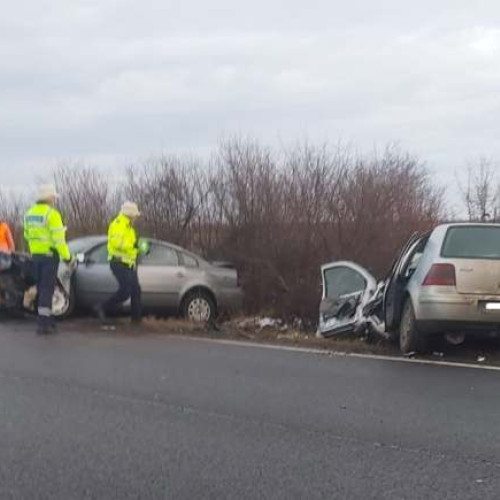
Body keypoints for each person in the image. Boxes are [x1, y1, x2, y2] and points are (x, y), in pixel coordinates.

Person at [24, 184, 72, 335]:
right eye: (53, 197)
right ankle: (43, 325)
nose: (54, 200)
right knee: (47, 290)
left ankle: (47, 320)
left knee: (41, 288)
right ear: (49, 198)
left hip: (35, 256)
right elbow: (59, 240)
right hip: (49, 256)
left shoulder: (29, 213)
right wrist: (67, 257)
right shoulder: (52, 214)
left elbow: (27, 235)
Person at [95, 201, 143, 325]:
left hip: (130, 263)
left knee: (136, 291)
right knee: (125, 291)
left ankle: (136, 320)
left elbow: (131, 247)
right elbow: (117, 243)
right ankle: (102, 307)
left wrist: (140, 249)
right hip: (119, 262)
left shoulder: (129, 227)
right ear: (130, 215)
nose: (136, 218)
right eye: (135, 216)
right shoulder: (118, 224)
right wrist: (133, 245)